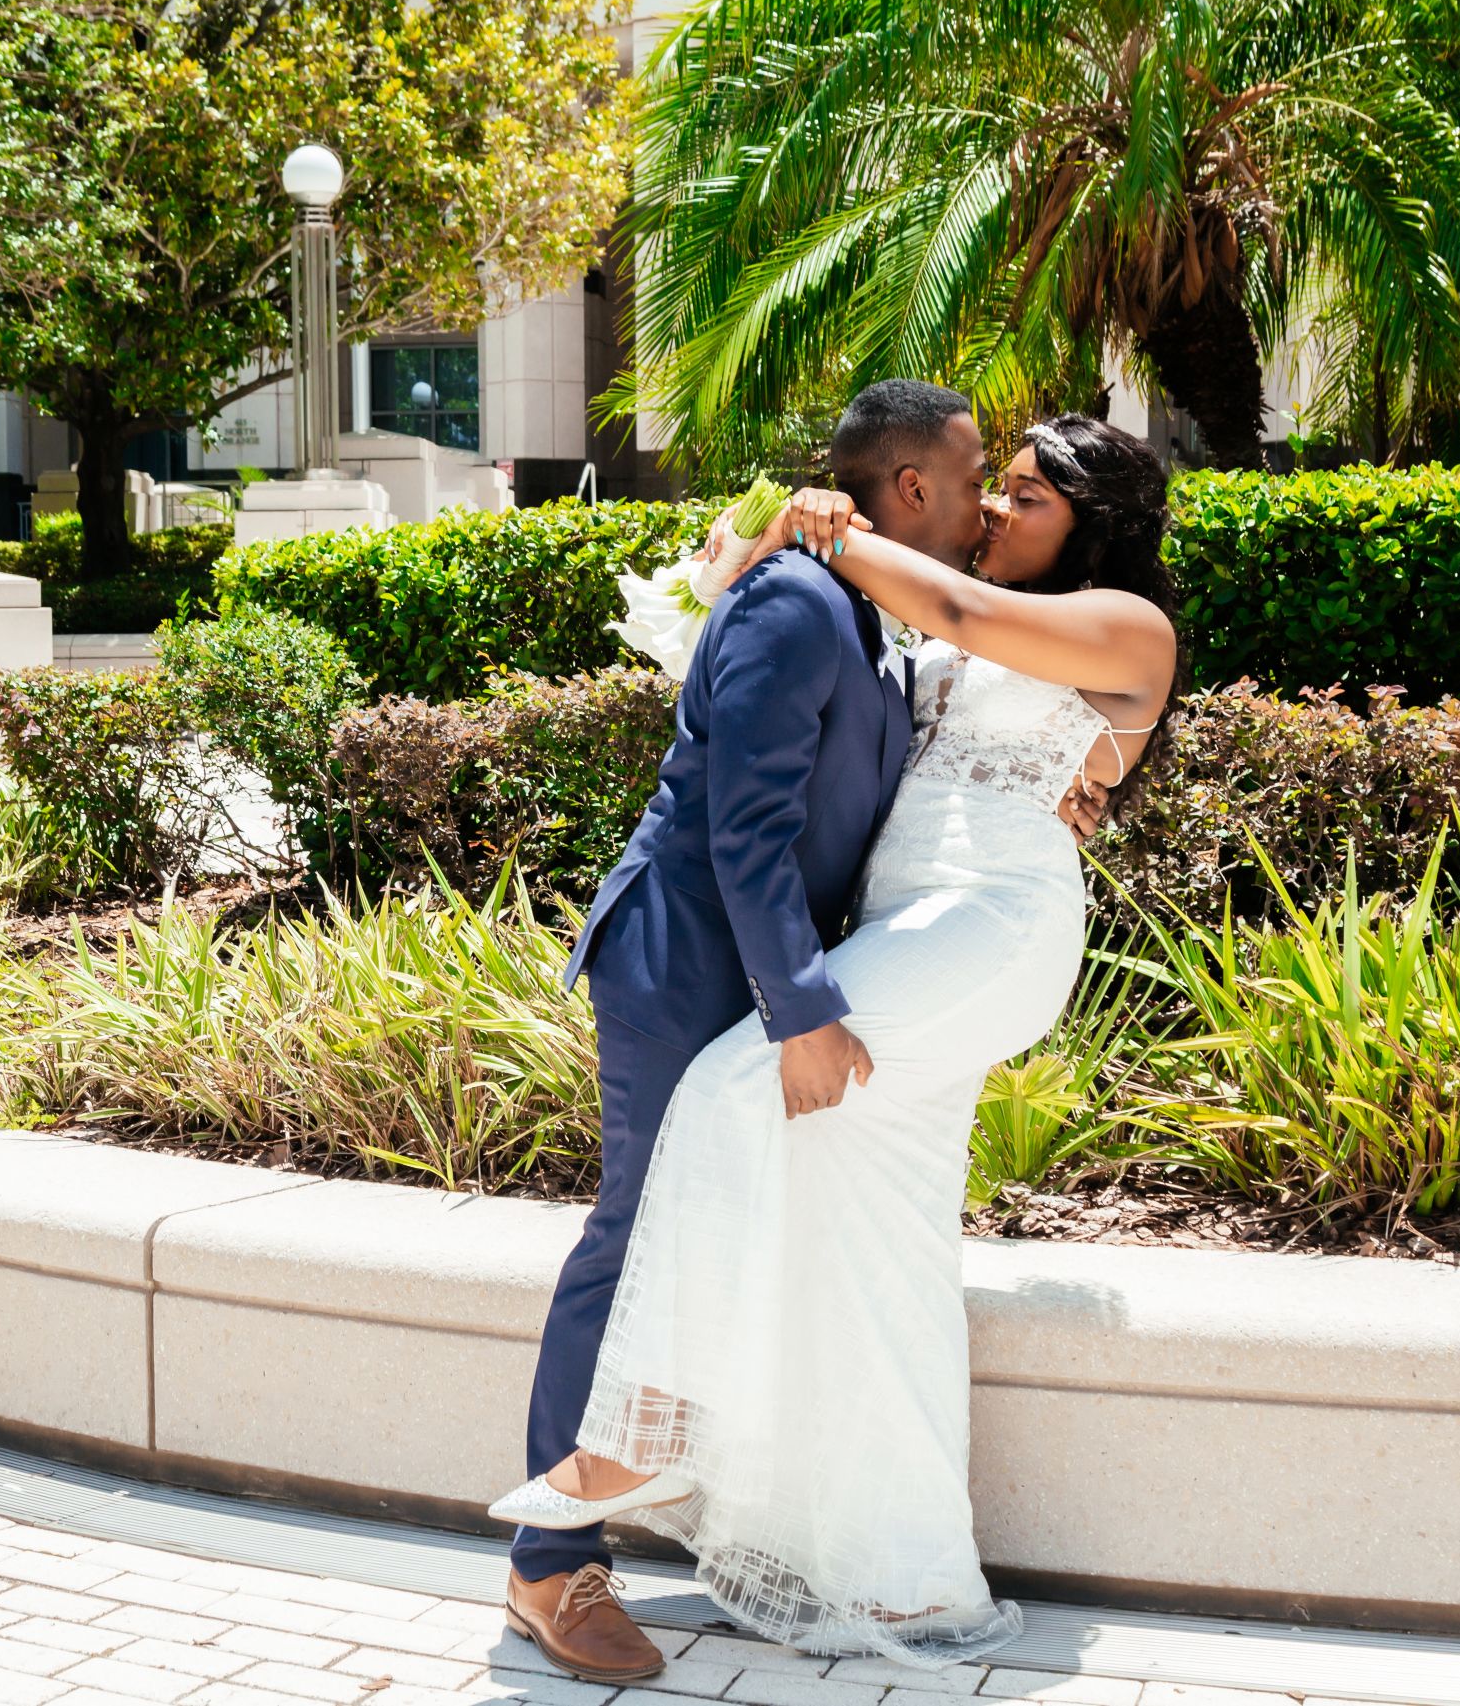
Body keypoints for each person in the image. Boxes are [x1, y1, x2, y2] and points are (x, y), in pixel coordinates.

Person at [493, 404, 1180, 1670]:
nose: (994, 509)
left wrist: (827, 526)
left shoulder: (1122, 625)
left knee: (735, 1093)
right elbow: (804, 713)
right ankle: (899, 1569)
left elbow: (966, 627)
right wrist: (750, 558)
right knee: (881, 1238)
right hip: (882, 937)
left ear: (1098, 520)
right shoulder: (893, 619)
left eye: (1027, 495)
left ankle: (638, 1441)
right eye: (994, 486)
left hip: (984, 930)